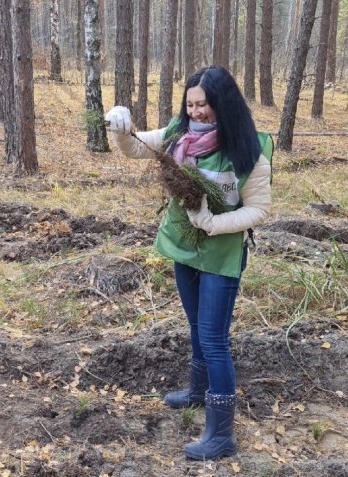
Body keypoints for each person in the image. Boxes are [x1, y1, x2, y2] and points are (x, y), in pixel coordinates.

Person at [105, 65, 272, 460]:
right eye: (191, 104)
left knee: (215, 340)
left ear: (224, 105)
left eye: (204, 106)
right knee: (197, 327)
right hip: (185, 249)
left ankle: (221, 432)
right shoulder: (178, 134)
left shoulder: (248, 151)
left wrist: (213, 223)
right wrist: (119, 125)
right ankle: (197, 392)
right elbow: (134, 148)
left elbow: (259, 211)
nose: (196, 113)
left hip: (221, 255)